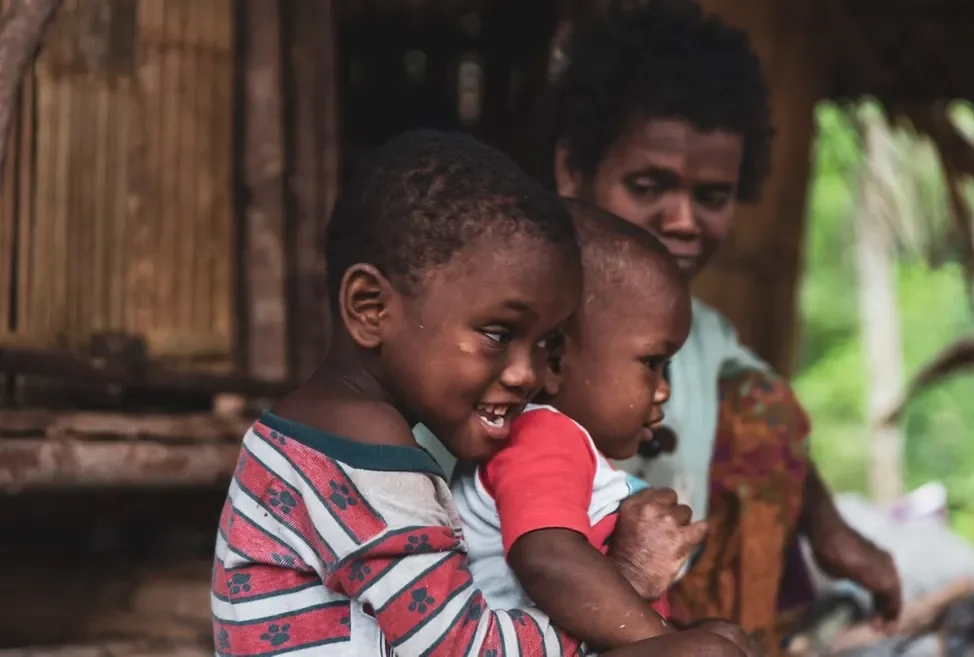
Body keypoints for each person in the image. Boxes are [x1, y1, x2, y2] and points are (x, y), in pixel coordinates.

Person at [211, 129, 741, 657]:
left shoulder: (331, 434)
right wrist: (628, 581)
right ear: (370, 307)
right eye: (498, 334)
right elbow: (465, 648)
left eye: (545, 345)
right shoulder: (359, 446)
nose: (527, 374)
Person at [544, 2, 903, 653]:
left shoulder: (707, 333)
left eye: (712, 197)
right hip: (541, 610)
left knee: (764, 409)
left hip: (672, 597)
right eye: (650, 183)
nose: (683, 219)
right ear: (573, 170)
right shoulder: (524, 323)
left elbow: (774, 419)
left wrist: (829, 528)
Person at [453, 201, 758, 655]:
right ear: (556, 361)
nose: (663, 392)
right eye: (652, 364)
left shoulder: (569, 447)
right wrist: (664, 640)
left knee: (724, 638)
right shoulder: (541, 434)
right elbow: (546, 560)